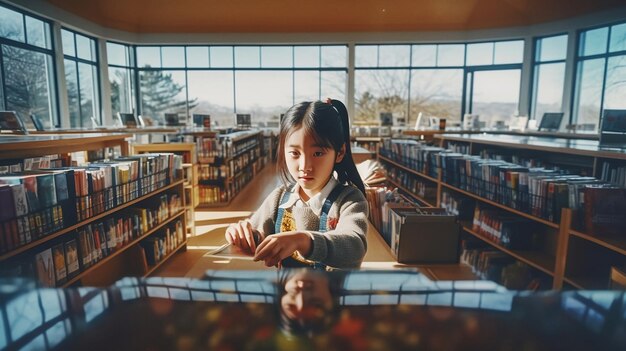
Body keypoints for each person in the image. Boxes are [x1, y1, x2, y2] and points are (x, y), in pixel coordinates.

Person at [225, 99, 368, 268]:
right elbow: (257, 232)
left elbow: (354, 246)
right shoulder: (280, 197)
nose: (304, 166)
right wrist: (240, 234)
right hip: (288, 292)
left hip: (332, 293)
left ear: (340, 152)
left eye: (317, 153)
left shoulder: (349, 200)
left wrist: (304, 241)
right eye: (294, 153)